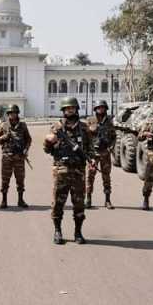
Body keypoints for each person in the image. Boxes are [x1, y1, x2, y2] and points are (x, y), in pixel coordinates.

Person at [43, 97, 93, 244]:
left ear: (77, 109)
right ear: (63, 110)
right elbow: (47, 150)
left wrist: (92, 159)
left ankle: (78, 232)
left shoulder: (84, 128)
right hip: (61, 170)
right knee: (58, 203)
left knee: (79, 204)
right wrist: (48, 141)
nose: (70, 110)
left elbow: (90, 149)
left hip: (79, 172)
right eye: (67, 108)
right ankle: (57, 231)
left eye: (72, 108)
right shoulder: (56, 128)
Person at [0, 104, 32, 209]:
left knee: (20, 180)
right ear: (8, 114)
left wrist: (26, 149)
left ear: (17, 113)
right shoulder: (3, 126)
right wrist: (4, 137)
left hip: (19, 158)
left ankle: (20, 200)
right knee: (5, 180)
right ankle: (4, 200)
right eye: (11, 113)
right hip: (7, 157)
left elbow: (28, 139)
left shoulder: (23, 126)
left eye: (14, 113)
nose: (13, 115)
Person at [85, 100, 116, 209]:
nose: (101, 109)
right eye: (99, 108)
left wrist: (111, 147)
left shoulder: (109, 121)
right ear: (95, 109)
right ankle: (88, 199)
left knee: (106, 177)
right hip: (93, 153)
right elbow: (85, 137)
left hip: (105, 153)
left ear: (106, 109)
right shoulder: (90, 120)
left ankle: (107, 200)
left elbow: (113, 136)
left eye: (103, 108)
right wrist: (87, 151)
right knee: (90, 176)